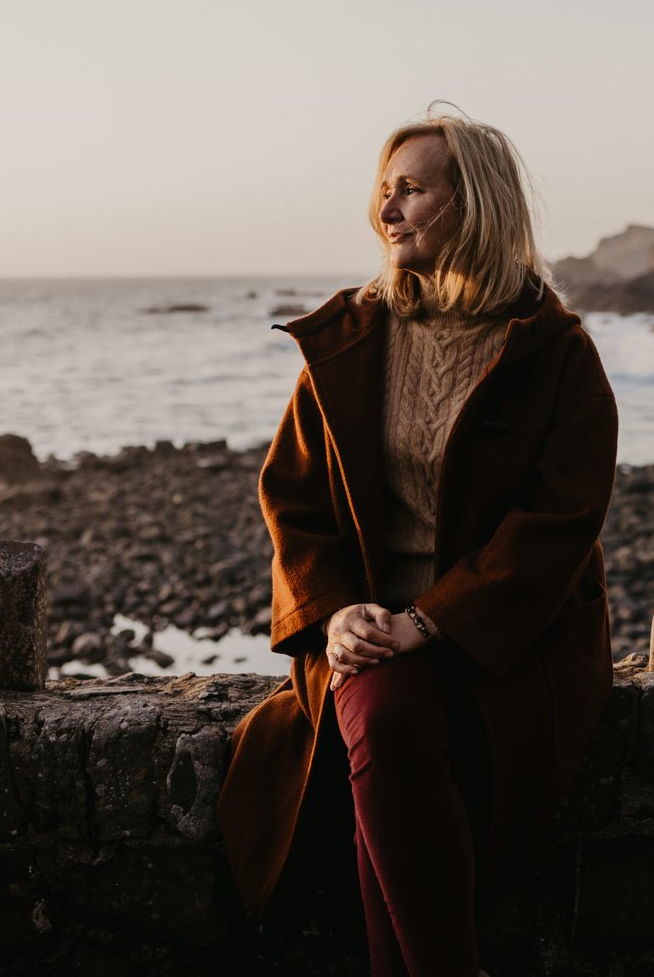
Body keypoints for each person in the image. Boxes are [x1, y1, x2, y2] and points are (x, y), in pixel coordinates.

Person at [217, 106, 618, 976]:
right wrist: (333, 614)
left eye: (411, 190)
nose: (386, 212)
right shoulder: (352, 337)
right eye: (382, 192)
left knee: (388, 722)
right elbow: (291, 494)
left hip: (510, 640)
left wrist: (431, 622)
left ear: (473, 201)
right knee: (381, 704)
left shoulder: (554, 353)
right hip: (367, 622)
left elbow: (559, 522)